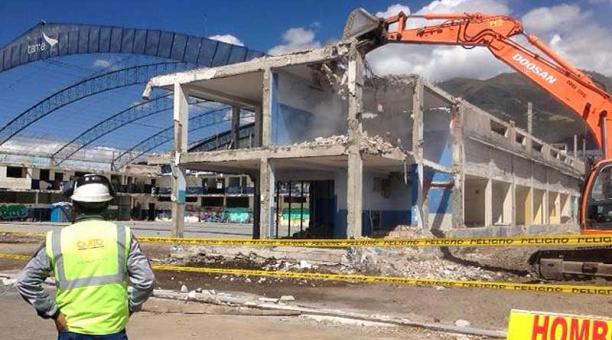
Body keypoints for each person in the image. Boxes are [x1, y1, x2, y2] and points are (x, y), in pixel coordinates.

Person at [17, 174, 155, 339]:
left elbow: (25, 281)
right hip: (113, 328)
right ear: (107, 204)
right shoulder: (122, 236)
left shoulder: (56, 239)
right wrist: (130, 307)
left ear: (74, 205)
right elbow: (146, 280)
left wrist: (53, 313)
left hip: (71, 329)